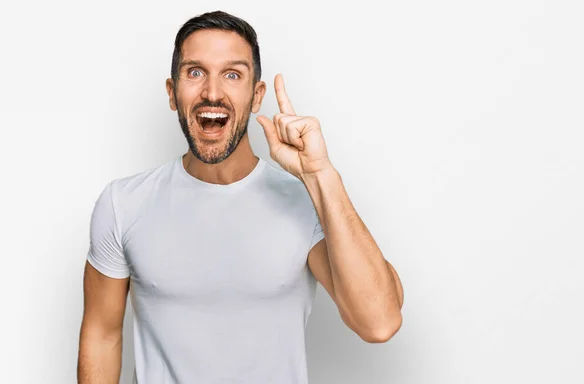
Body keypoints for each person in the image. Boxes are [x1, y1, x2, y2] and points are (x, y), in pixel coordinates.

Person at [77, 10, 404, 384]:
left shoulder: (306, 200)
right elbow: (101, 335)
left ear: (256, 96)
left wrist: (321, 176)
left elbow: (380, 322)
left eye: (232, 74)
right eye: (195, 72)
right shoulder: (123, 203)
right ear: (172, 93)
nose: (212, 92)